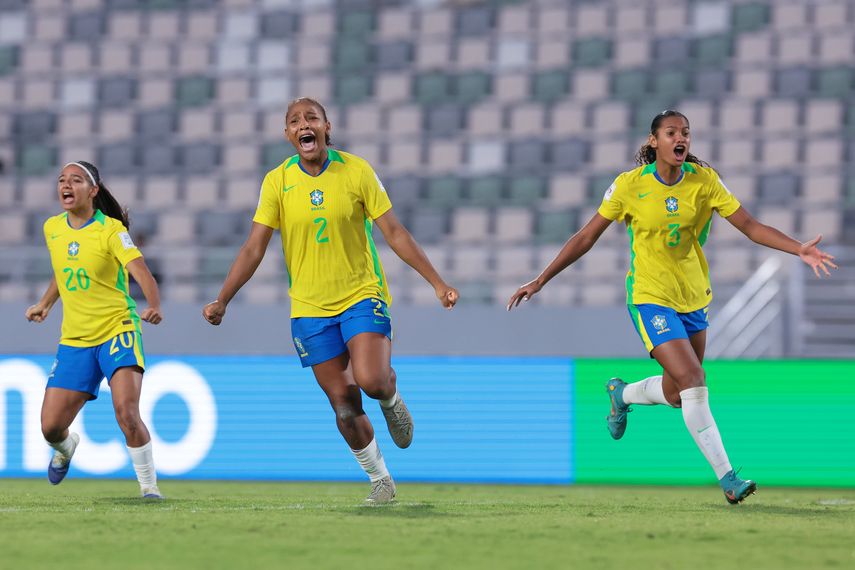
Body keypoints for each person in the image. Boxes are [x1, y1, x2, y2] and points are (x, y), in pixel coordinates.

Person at [508, 110, 837, 504]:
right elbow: (586, 236)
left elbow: (750, 226)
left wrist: (796, 247)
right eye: (671, 132)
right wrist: (541, 279)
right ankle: (729, 480)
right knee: (694, 379)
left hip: (694, 297)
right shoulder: (629, 186)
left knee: (680, 393)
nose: (681, 138)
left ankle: (622, 394)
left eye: (685, 132)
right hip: (650, 298)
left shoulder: (704, 182)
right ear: (654, 141)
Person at [202, 97, 459, 504]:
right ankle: (380, 480)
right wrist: (223, 299)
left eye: (312, 118)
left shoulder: (356, 170)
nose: (304, 125)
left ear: (327, 127)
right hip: (309, 309)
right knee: (343, 405)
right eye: (294, 121)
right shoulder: (277, 182)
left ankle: (391, 397)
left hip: (360, 295)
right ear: (287, 135)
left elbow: (393, 232)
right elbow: (254, 248)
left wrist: (437, 283)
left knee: (372, 380)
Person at [25, 161, 164, 499]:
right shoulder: (52, 228)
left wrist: (154, 304)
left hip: (117, 329)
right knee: (50, 427)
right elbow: (64, 271)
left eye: (75, 180)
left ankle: (149, 487)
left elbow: (140, 270)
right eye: (61, 180)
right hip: (75, 339)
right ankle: (66, 446)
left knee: (126, 412)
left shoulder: (111, 230)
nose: (65, 185)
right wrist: (45, 304)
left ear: (93, 190)